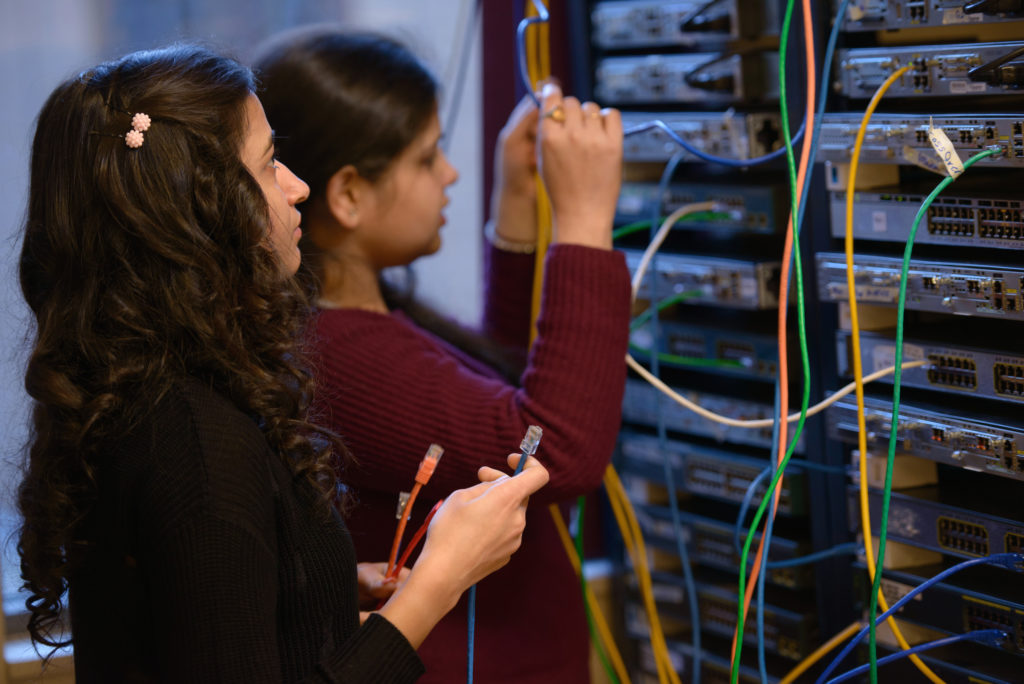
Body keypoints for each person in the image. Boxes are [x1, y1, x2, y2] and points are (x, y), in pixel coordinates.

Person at [15, 44, 550, 683]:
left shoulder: (159, 395)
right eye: (270, 164)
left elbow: (203, 608)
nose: (297, 186)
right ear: (199, 208)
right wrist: (437, 582)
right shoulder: (196, 443)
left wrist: (322, 586)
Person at [255, 30, 629, 682]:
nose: (450, 173)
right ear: (347, 195)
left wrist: (515, 203)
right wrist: (586, 221)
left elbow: (496, 399)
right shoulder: (337, 352)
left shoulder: (355, 323)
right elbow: (554, 451)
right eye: (428, 159)